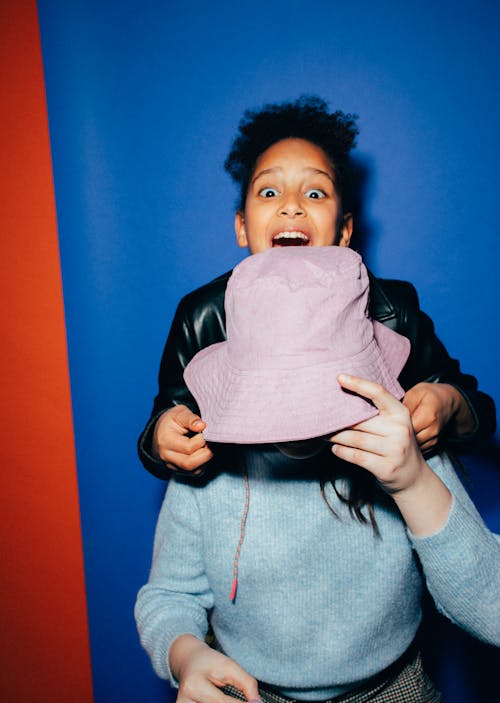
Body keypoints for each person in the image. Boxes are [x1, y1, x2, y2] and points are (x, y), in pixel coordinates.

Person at [135, 247, 500, 703]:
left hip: (389, 696)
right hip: (248, 697)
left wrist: (413, 481)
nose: (294, 415)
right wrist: (186, 656)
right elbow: (169, 596)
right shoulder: (205, 458)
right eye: (273, 389)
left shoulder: (402, 450)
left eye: (314, 388)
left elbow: (493, 610)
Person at [137, 96, 496, 480]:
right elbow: (168, 417)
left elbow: (478, 411)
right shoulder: (203, 316)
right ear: (242, 226)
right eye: (270, 192)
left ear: (344, 230)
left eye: (315, 193)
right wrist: (163, 441)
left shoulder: (392, 310)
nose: (292, 206)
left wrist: (449, 407)